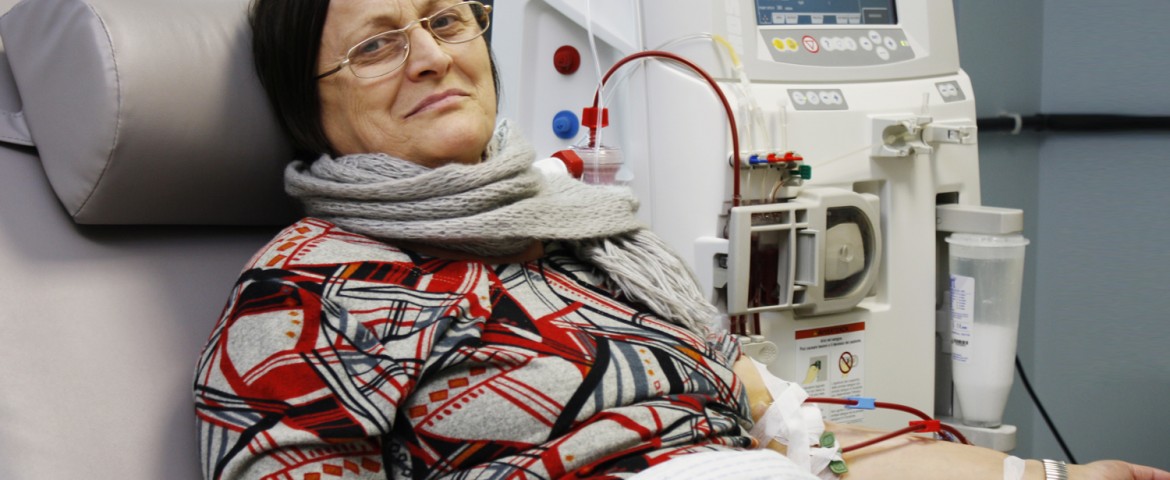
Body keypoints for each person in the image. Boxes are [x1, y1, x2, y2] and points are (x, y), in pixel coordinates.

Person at [192, 1, 1170, 479]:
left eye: (446, 18)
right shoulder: (311, 292)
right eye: (376, 44)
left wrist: (1048, 478)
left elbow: (808, 439)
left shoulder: (594, 241)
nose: (432, 56)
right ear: (308, 107)